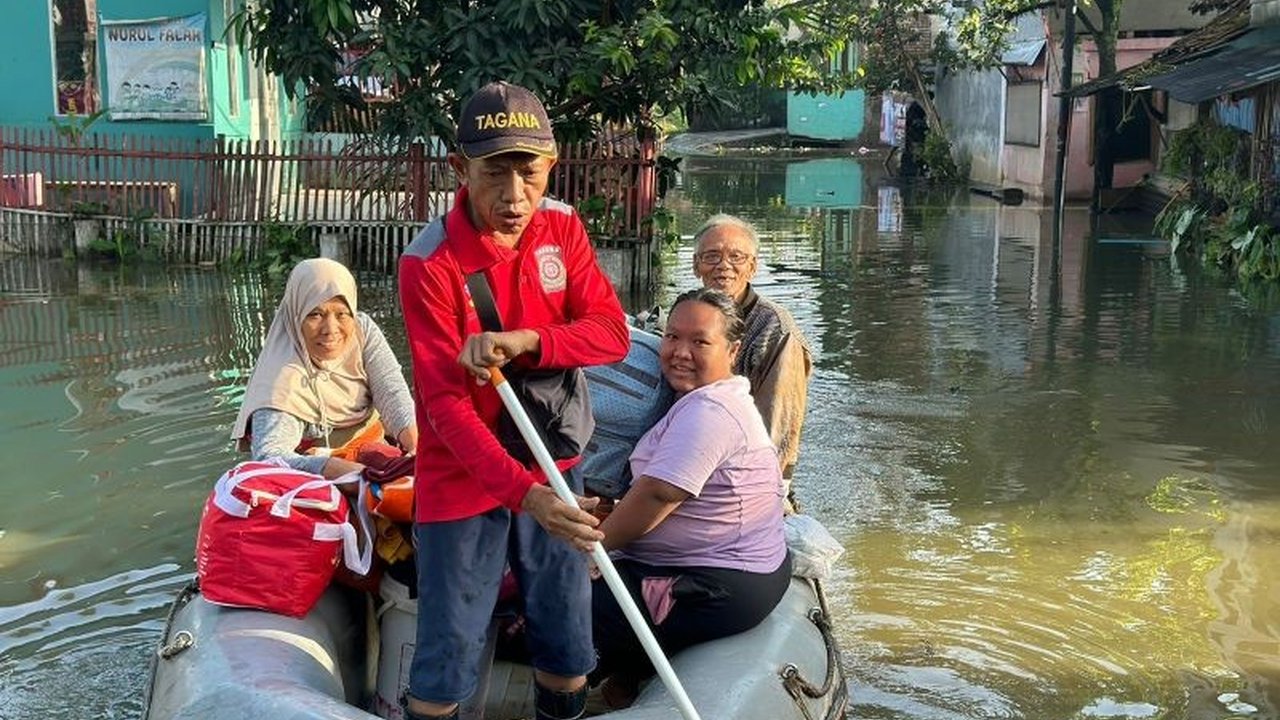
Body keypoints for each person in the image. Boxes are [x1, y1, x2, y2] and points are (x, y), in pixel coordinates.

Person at [397, 81, 630, 720]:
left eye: (528, 173)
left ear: (551, 165)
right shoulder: (429, 263)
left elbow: (610, 333)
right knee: (446, 657)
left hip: (554, 457)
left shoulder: (562, 227)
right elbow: (444, 409)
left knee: (566, 645)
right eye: (493, 174)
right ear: (459, 169)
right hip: (461, 474)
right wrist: (526, 497)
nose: (513, 196)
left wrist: (526, 340)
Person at [590, 287, 791, 708]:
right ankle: (626, 679)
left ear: (732, 350)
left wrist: (593, 547)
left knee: (558, 605)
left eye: (699, 341)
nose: (680, 352)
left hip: (716, 583)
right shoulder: (707, 399)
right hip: (721, 565)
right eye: (671, 337)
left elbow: (658, 494)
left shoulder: (710, 412)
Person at [230, 257, 417, 479]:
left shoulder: (362, 331)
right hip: (317, 478)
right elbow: (270, 458)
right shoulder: (280, 379)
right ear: (296, 315)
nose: (330, 329)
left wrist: (416, 451)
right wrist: (336, 470)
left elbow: (392, 394)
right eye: (315, 314)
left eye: (341, 314)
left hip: (375, 456)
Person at [691, 213, 812, 507]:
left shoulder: (776, 329)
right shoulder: (690, 312)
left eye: (736, 257)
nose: (724, 267)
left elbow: (780, 428)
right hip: (696, 457)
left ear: (753, 267)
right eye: (712, 256)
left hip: (744, 479)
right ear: (696, 266)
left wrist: (765, 498)